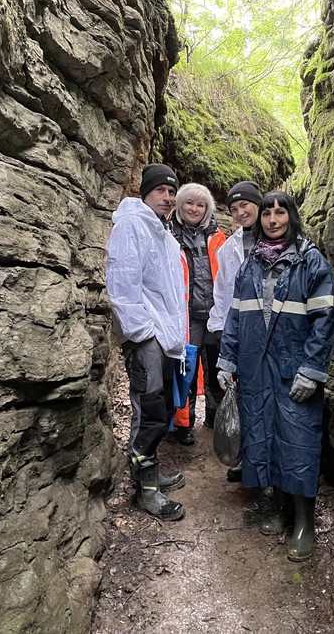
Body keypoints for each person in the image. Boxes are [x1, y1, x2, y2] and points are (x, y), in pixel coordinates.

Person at [217, 190, 334, 561]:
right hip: (257, 369)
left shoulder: (310, 262)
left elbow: (325, 321)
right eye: (267, 213)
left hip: (294, 370)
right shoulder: (250, 264)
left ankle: (304, 523)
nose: (272, 220)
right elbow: (235, 317)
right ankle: (283, 510)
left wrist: (312, 370)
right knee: (266, 439)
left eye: (279, 213)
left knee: (298, 444)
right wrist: (227, 359)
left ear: (291, 216)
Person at [106, 163, 187, 521]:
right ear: (145, 192)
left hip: (165, 337)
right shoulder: (132, 224)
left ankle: (149, 474)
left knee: (162, 411)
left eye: (172, 192)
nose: (168, 198)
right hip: (147, 337)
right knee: (149, 412)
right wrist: (142, 335)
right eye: (161, 191)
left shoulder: (164, 234)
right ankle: (146, 491)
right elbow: (122, 284)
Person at [207, 180, 262, 481]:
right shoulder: (228, 248)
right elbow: (223, 292)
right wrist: (219, 330)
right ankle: (247, 458)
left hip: (273, 333)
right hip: (241, 335)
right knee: (244, 399)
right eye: (235, 209)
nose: (241, 212)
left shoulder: (280, 236)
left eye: (245, 205)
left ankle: (266, 465)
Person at [168, 183, 226, 446]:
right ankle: (183, 424)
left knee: (217, 367)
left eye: (200, 204)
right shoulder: (168, 234)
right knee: (186, 369)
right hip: (186, 315)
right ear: (180, 205)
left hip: (215, 314)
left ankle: (217, 417)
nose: (194, 208)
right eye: (189, 203)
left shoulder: (217, 236)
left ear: (207, 209)